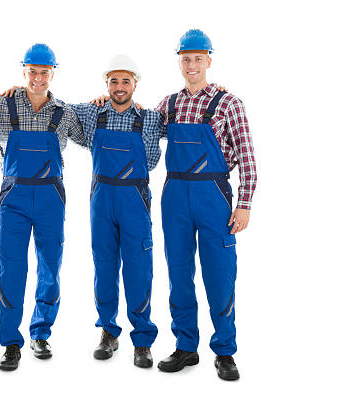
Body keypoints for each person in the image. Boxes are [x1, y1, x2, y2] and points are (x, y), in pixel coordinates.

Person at [155, 29, 257, 381]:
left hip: (213, 196)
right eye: (186, 58)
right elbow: (137, 127)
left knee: (219, 274)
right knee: (179, 273)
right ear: (179, 62)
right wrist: (103, 101)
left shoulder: (230, 103)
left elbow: (246, 156)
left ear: (209, 61)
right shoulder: (168, 104)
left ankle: (225, 351)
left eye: (198, 58)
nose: (192, 64)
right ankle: (186, 346)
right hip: (175, 197)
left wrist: (244, 204)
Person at [0, 44, 84, 371]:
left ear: (53, 72)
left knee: (50, 266)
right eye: (33, 71)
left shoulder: (65, 113)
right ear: (23, 70)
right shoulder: (2, 104)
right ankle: (11, 343)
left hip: (51, 199)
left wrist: (102, 102)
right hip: (14, 197)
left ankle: (40, 332)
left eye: (44, 72)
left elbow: (94, 132)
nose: (38, 78)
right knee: (11, 268)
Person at [66, 55, 165, 368]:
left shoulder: (151, 118)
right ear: (105, 84)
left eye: (125, 81)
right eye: (113, 81)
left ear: (136, 83)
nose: (119, 87)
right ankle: (108, 332)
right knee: (104, 267)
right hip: (102, 201)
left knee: (139, 269)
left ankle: (143, 341)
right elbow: (58, 110)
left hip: (135, 200)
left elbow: (152, 160)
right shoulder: (92, 112)